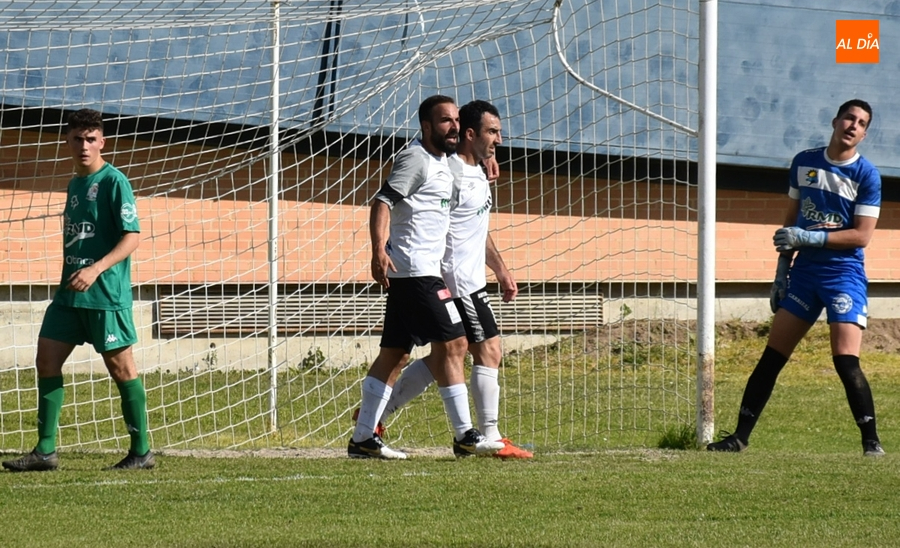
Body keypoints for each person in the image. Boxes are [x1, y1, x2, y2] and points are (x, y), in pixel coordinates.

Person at [707, 99, 884, 456]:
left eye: (862, 123)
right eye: (849, 118)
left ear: (864, 134)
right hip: (803, 274)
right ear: (835, 121)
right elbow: (791, 220)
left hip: (844, 275)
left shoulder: (867, 175)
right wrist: (781, 270)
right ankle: (739, 438)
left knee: (845, 360)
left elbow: (862, 236)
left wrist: (813, 238)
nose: (853, 125)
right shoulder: (804, 162)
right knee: (772, 357)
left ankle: (871, 444)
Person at [366, 100, 533, 459]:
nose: (499, 140)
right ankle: (484, 436)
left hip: (458, 277)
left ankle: (372, 423)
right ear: (470, 134)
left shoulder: (468, 169)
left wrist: (500, 269)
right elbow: (392, 203)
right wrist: (381, 248)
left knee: (429, 355)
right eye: (492, 132)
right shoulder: (440, 166)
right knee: (479, 349)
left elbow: (473, 228)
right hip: (449, 278)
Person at [2, 108, 153, 472]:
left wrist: (96, 269)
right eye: (77, 139)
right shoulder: (74, 184)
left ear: (102, 142)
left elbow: (132, 236)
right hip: (69, 295)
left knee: (122, 370)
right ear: (67, 142)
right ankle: (45, 451)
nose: (84, 146)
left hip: (105, 295)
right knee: (46, 359)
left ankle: (142, 451)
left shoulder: (115, 182)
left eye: (90, 139)